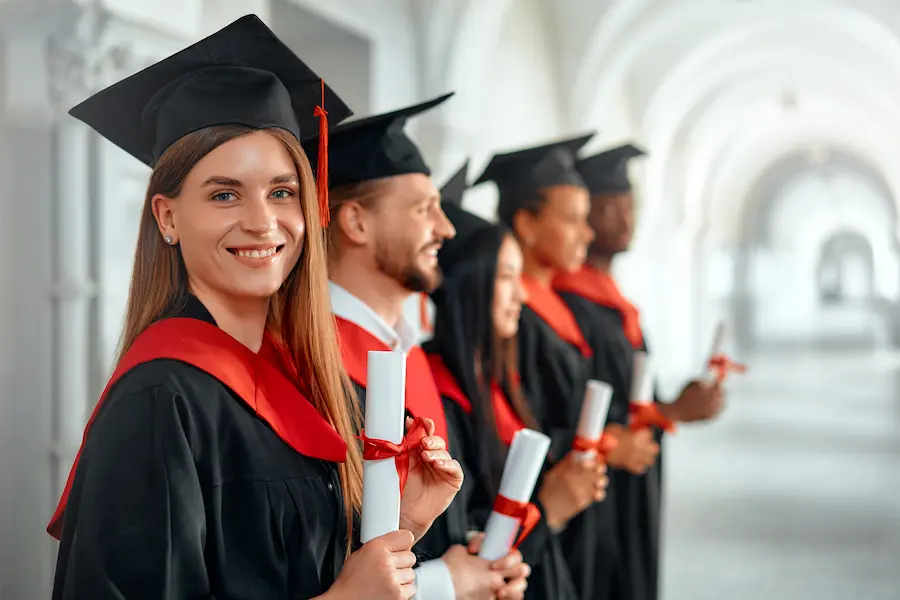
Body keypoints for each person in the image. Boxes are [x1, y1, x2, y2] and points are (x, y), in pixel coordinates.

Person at [48, 15, 462, 600]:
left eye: (282, 191)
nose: (262, 221)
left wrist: (403, 525)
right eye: (224, 194)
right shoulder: (162, 399)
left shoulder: (307, 379)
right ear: (167, 217)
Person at [307, 97, 530, 600]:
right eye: (422, 210)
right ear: (357, 223)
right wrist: (443, 584)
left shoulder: (410, 357)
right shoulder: (312, 368)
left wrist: (475, 557)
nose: (445, 228)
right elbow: (316, 565)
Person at [424, 161, 609, 600]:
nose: (522, 294)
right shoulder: (439, 396)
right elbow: (464, 539)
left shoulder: (495, 378)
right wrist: (551, 510)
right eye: (506, 277)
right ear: (468, 286)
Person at [553, 143, 726, 600]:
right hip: (597, 497)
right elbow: (578, 412)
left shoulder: (610, 298)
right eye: (610, 208)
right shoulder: (569, 302)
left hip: (630, 483)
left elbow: (629, 400)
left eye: (630, 207)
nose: (626, 220)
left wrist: (674, 406)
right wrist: (672, 409)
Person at [472, 135, 626, 600]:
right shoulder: (511, 325)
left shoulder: (556, 308)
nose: (589, 233)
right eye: (573, 220)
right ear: (527, 223)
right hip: (538, 529)